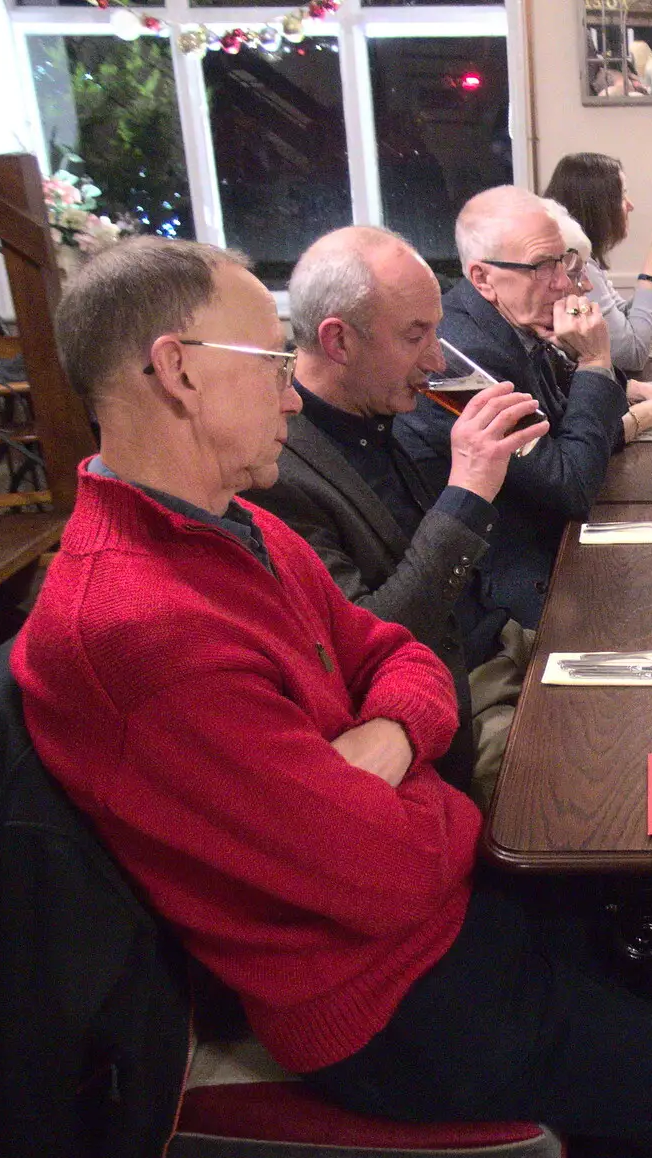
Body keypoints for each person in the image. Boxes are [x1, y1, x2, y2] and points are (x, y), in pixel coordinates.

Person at [13, 236, 652, 1158]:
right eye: (273, 362)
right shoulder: (133, 628)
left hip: (440, 919)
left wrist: (386, 739)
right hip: (384, 1002)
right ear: (176, 372)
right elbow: (382, 872)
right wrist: (432, 795)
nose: (289, 393)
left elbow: (405, 653)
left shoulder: (239, 522)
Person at [241, 226, 531, 807]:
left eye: (437, 332)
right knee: (607, 782)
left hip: (505, 642)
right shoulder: (275, 470)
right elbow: (368, 641)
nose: (434, 359)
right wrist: (468, 490)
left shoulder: (380, 406)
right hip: (458, 700)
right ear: (339, 342)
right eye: (415, 336)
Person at [394, 187, 640, 628]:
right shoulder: (461, 360)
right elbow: (572, 486)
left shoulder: (513, 322)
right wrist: (594, 360)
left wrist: (592, 370)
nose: (563, 282)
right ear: (483, 278)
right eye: (541, 268)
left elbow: (587, 422)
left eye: (562, 262)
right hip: (504, 602)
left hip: (546, 550)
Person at [540, 195, 652, 420]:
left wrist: (632, 389)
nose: (587, 285)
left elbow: (563, 382)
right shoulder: (572, 262)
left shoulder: (585, 261)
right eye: (620, 192)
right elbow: (629, 353)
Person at [544, 152, 652, 373]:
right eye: (622, 196)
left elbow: (623, 320)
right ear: (597, 206)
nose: (630, 205)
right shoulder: (576, 268)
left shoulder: (587, 259)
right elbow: (630, 355)